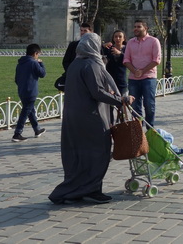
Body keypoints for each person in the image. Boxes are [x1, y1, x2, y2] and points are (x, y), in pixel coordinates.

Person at [48, 33, 128, 205]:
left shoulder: (75, 64)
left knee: (78, 155)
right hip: (92, 117)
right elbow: (97, 92)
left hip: (73, 117)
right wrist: (120, 100)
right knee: (98, 153)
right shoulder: (92, 65)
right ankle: (91, 190)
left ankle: (76, 190)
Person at [123, 20, 161, 128]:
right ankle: (138, 130)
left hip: (148, 78)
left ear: (145, 28)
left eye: (139, 26)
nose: (136, 28)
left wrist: (142, 71)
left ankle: (150, 129)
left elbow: (156, 60)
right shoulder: (130, 42)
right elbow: (126, 60)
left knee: (149, 105)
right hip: (133, 78)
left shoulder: (154, 41)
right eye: (134, 26)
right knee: (135, 106)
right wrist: (135, 71)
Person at [12, 43, 47, 142]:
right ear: (35, 53)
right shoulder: (34, 63)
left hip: (22, 90)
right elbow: (42, 74)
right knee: (25, 111)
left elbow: (16, 79)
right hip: (31, 91)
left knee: (30, 110)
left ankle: (37, 130)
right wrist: (40, 63)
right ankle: (17, 133)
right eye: (38, 54)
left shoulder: (20, 63)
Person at [55, 22, 92, 91]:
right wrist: (71, 71)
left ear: (90, 32)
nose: (83, 33)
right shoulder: (73, 45)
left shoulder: (95, 46)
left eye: (85, 31)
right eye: (81, 30)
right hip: (74, 75)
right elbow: (66, 61)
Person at [102, 30, 127, 95]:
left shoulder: (127, 49)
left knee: (122, 101)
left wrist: (120, 54)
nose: (117, 38)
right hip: (109, 79)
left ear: (124, 38)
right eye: (115, 37)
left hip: (121, 80)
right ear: (113, 38)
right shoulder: (108, 48)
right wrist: (102, 46)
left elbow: (131, 59)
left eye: (120, 37)